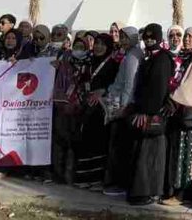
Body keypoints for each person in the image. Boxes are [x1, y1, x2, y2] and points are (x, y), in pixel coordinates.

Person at [127, 24, 174, 206]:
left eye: (152, 37)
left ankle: (149, 192)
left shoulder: (162, 59)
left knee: (151, 155)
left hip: (154, 115)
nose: (148, 41)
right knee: (143, 154)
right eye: (146, 38)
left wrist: (146, 112)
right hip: (145, 111)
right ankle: (142, 191)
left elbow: (158, 89)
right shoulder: (150, 58)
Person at [163, 26, 192, 206]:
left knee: (187, 156)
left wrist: (173, 100)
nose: (187, 39)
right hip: (180, 113)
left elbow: (190, 86)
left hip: (190, 114)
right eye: (186, 36)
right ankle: (175, 191)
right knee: (179, 153)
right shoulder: (185, 57)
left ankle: (182, 194)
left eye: (190, 37)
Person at [74, 33, 119, 188]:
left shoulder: (113, 64)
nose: (99, 47)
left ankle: (97, 179)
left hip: (102, 109)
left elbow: (116, 84)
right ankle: (84, 178)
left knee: (98, 143)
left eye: (103, 44)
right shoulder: (89, 61)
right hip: (87, 106)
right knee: (85, 141)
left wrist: (103, 91)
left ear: (109, 47)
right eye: (97, 43)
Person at [102, 26, 143, 196]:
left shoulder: (133, 56)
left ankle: (118, 184)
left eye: (127, 37)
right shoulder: (132, 53)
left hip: (122, 106)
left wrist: (123, 108)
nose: (123, 40)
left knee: (119, 147)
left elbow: (129, 84)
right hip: (122, 103)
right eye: (122, 37)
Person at [49, 34, 89, 183]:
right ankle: (58, 174)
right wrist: (62, 102)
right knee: (60, 141)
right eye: (76, 47)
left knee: (75, 143)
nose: (78, 50)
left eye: (82, 47)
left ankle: (71, 175)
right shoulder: (65, 63)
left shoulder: (89, 64)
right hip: (63, 107)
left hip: (80, 109)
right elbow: (58, 84)